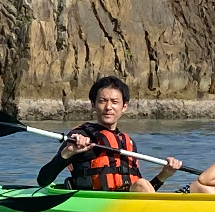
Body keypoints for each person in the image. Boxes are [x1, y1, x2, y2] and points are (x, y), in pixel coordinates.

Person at [36, 76, 182, 192]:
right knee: (142, 184)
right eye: (102, 101)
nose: (108, 107)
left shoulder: (128, 142)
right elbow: (43, 180)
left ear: (124, 107)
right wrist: (68, 153)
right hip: (93, 203)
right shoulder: (78, 137)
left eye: (114, 102)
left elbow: (143, 191)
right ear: (93, 105)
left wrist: (165, 175)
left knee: (198, 187)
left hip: (122, 205)